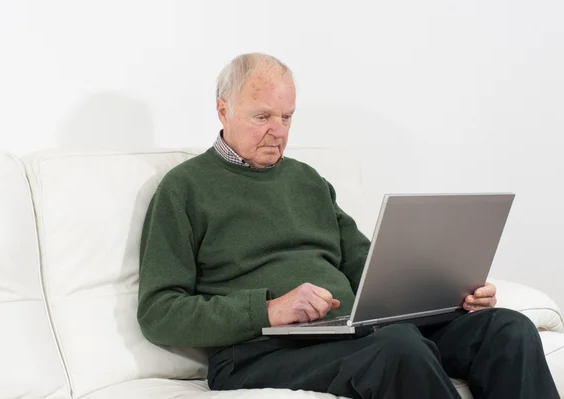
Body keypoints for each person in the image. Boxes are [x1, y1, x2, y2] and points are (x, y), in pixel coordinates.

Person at [137, 53, 559, 399]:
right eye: (262, 116)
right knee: (399, 349)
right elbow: (159, 313)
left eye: (286, 117)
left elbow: (367, 265)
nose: (277, 132)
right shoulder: (184, 189)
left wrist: (451, 290)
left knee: (507, 329)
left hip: (350, 333)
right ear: (223, 109)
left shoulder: (308, 181)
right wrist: (269, 309)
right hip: (256, 351)